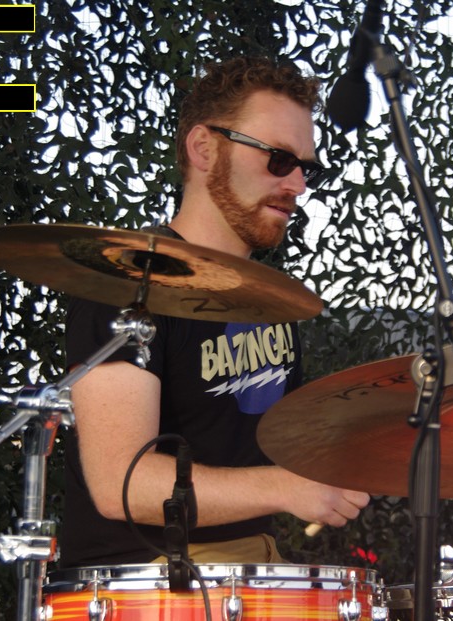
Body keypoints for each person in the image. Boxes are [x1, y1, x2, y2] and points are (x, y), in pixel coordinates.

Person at [59, 56, 370, 569]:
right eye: (278, 159)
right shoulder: (128, 283)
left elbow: (264, 455)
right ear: (204, 148)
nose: (298, 185)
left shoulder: (273, 301)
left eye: (306, 168)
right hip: (146, 581)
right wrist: (284, 487)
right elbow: (121, 484)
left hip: (253, 565)